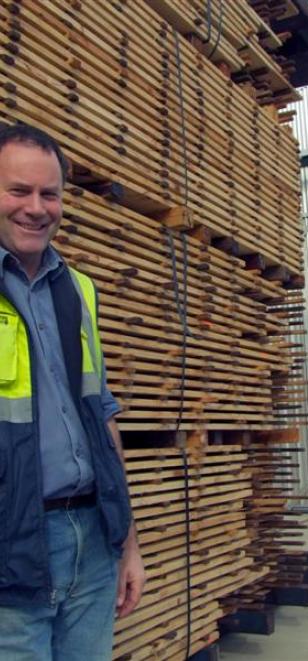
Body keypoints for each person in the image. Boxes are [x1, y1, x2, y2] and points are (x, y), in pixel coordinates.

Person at [0, 124, 145, 659]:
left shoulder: (78, 290)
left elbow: (101, 417)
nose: (36, 208)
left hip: (91, 541)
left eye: (50, 193)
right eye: (18, 191)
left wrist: (127, 544)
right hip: (11, 552)